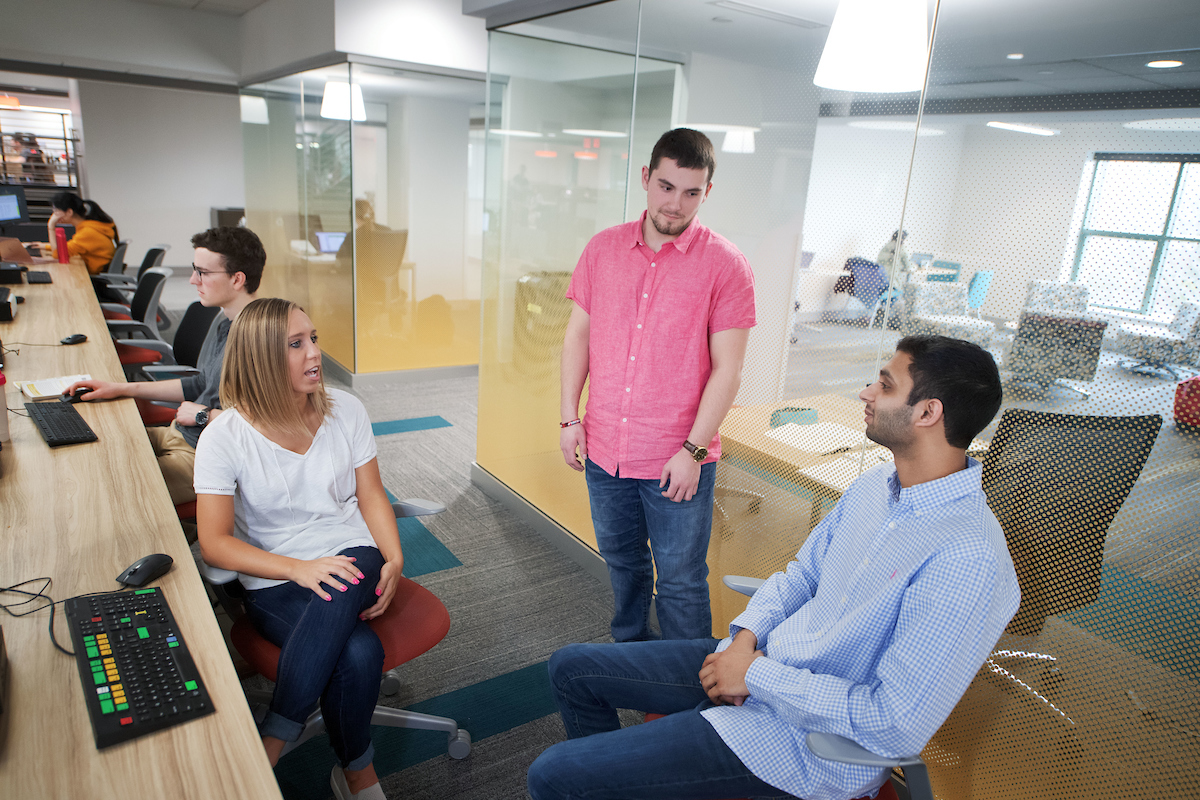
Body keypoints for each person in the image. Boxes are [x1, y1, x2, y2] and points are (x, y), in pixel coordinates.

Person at [529, 335, 1020, 800]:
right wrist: (744, 640)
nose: (866, 392)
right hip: (761, 661)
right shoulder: (876, 485)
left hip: (801, 745)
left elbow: (892, 723)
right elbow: (802, 576)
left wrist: (756, 674)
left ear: (928, 413)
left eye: (886, 385)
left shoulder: (966, 558)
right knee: (570, 669)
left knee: (552, 774)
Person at [194, 297, 403, 800]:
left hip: (354, 553)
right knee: (358, 654)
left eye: (313, 339)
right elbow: (215, 543)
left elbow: (371, 495)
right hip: (275, 579)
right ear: (261, 357)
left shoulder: (346, 409)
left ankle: (272, 739)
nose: (314, 353)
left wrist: (395, 557)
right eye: (295, 344)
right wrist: (297, 569)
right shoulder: (224, 437)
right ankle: (356, 773)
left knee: (351, 569)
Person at [559, 128, 756, 643]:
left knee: (681, 581)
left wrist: (693, 451)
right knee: (622, 562)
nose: (675, 204)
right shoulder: (602, 250)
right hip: (605, 449)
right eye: (666, 187)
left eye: (691, 192)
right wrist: (569, 417)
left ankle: (686, 682)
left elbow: (728, 370)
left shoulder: (726, 265)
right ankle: (630, 651)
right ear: (646, 178)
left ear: (707, 191)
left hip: (678, 457)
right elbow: (578, 336)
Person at [63, 226, 264, 522]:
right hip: (178, 433)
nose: (193, 280)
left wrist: (204, 415)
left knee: (105, 489)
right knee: (93, 447)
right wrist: (120, 388)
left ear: (237, 279)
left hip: (206, 455)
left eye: (203, 273)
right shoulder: (227, 324)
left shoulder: (261, 340)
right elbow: (200, 383)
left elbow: (267, 425)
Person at [47, 191, 120, 274]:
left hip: (95, 276)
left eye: (56, 211)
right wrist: (45, 246)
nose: (54, 215)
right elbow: (70, 246)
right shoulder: (90, 226)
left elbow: (58, 255)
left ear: (69, 212)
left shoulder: (87, 232)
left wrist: (51, 226)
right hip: (96, 271)